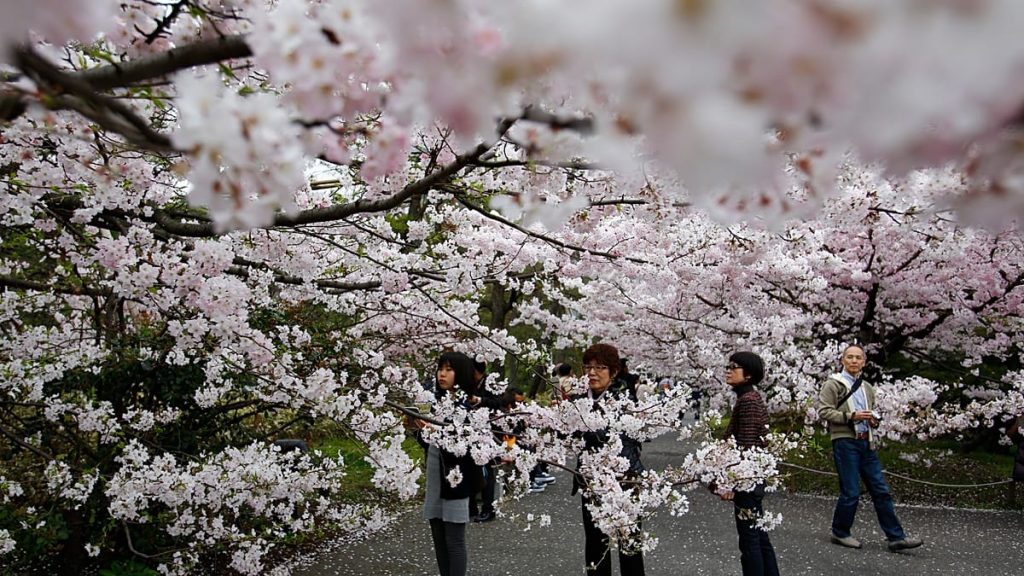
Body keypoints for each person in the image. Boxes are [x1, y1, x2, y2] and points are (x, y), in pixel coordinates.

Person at [816, 344, 923, 552]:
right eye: (850, 357)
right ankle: (840, 532)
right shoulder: (833, 384)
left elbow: (871, 412)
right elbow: (824, 411)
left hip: (867, 441)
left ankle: (896, 537)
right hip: (845, 441)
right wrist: (851, 416)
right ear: (842, 360)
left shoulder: (867, 388)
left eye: (858, 357)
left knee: (881, 490)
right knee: (851, 491)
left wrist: (873, 420)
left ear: (864, 362)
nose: (854, 361)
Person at [571, 343, 646, 576]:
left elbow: (614, 437)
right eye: (587, 367)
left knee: (629, 544)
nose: (592, 373)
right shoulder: (578, 398)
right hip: (591, 481)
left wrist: (582, 428)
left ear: (613, 372)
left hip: (625, 479)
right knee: (595, 543)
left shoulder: (624, 399)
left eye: (600, 367)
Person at [410, 351, 483, 576]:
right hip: (435, 475)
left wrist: (437, 432)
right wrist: (417, 429)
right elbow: (429, 443)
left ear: (460, 373)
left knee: (454, 539)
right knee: (438, 536)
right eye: (440, 369)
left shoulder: (469, 406)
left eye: (449, 370)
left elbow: (464, 447)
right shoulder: (436, 402)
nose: (442, 374)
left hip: (456, 480)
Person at [719, 352, 780, 576]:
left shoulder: (749, 401)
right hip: (752, 477)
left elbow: (746, 446)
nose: (728, 370)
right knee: (758, 535)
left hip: (748, 479)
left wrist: (732, 483)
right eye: (728, 366)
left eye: (734, 367)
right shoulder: (748, 398)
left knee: (750, 540)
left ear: (749, 375)